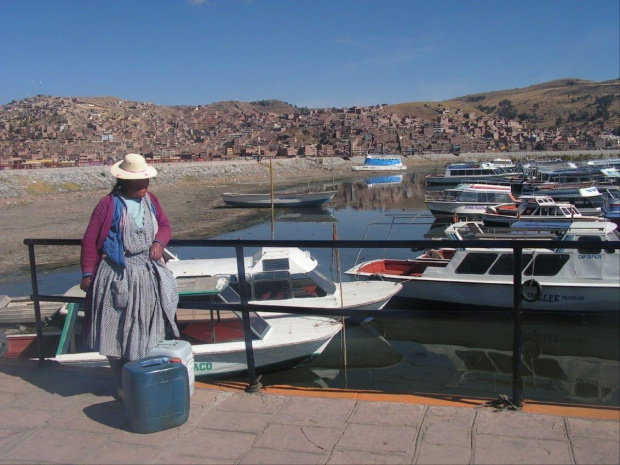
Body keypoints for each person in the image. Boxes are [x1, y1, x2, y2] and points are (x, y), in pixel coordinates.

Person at [80, 153, 179, 400]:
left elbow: (165, 225)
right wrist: (87, 273)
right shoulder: (108, 204)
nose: (144, 186)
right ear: (124, 182)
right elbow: (91, 241)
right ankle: (121, 384)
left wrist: (158, 242)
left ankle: (137, 380)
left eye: (146, 181)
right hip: (117, 275)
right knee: (117, 331)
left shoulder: (151, 200)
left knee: (142, 329)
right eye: (139, 182)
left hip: (145, 274)